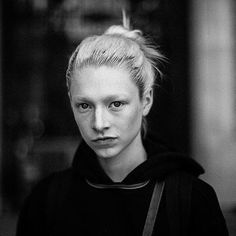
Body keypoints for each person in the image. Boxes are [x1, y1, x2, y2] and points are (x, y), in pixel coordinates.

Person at [16, 16, 229, 236]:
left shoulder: (190, 200)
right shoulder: (46, 201)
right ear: (71, 102)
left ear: (146, 101)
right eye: (84, 105)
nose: (99, 123)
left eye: (115, 104)